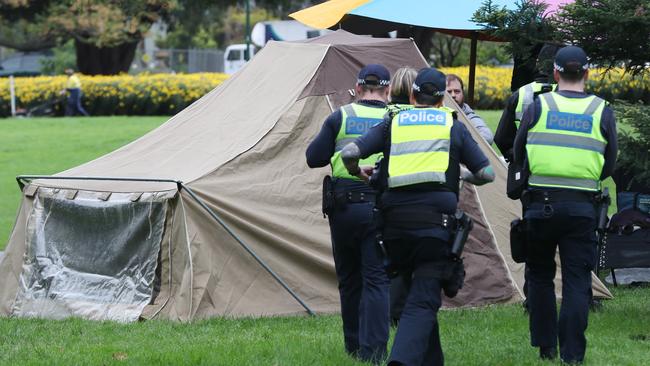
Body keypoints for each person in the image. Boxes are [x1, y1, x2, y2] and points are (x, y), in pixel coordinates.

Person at [340, 68, 495, 365]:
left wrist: (357, 172)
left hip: (393, 228)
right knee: (423, 299)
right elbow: (486, 173)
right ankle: (400, 361)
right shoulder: (452, 125)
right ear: (442, 101)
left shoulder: (394, 122)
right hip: (435, 228)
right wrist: (460, 173)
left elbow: (349, 152)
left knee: (418, 294)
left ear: (411, 96)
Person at [513, 45, 617, 363]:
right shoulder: (602, 110)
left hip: (539, 205)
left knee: (541, 275)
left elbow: (519, 153)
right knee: (576, 279)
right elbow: (609, 164)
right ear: (587, 73)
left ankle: (546, 347)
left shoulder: (538, 106)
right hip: (582, 207)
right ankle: (572, 355)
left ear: (556, 73)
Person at [305, 64, 391, 363]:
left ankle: (354, 347)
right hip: (381, 206)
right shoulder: (394, 118)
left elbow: (313, 158)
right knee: (377, 279)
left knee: (350, 279)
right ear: (388, 90)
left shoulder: (340, 116)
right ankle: (376, 351)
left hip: (343, 208)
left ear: (357, 88)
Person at [386, 66, 417, 326]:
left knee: (394, 261)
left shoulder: (387, 115)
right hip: (420, 194)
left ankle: (393, 313)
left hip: (390, 194)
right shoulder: (424, 116)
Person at [494, 44, 560, 162]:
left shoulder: (520, 94)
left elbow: (501, 138)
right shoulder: (569, 95)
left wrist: (517, 159)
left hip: (524, 169)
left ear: (538, 63)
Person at [445, 74, 494, 144]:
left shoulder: (468, 116)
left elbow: (488, 137)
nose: (453, 95)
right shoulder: (434, 115)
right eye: (449, 92)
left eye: (457, 91)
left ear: (462, 93)